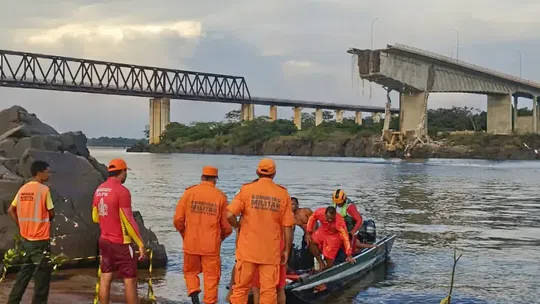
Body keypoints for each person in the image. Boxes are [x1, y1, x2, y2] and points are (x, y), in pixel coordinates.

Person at [227, 158, 294, 304]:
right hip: (271, 253)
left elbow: (229, 214)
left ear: (257, 172)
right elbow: (287, 226)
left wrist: (237, 225)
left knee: (240, 289)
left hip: (247, 251)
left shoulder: (246, 190)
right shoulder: (283, 194)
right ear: (274, 174)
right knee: (268, 292)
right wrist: (287, 251)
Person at [173, 166, 232, 304]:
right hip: (211, 246)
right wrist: (220, 238)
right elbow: (226, 227)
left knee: (190, 272)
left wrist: (184, 234)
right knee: (211, 277)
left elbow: (178, 220)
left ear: (202, 177)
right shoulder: (220, 196)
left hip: (191, 243)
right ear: (215, 180)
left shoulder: (189, 193)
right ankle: (209, 302)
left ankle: (194, 292)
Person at [92, 158, 146, 304]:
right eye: (125, 172)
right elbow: (128, 220)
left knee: (105, 277)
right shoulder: (122, 191)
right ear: (122, 172)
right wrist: (140, 243)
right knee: (130, 281)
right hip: (121, 242)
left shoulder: (99, 189)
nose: (125, 175)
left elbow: (95, 217)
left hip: (104, 241)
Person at [7, 160, 55, 304]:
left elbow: (10, 210)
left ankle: (13, 301)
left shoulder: (23, 189)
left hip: (26, 238)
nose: (49, 174)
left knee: (24, 274)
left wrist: (21, 225)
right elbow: (51, 213)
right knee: (42, 277)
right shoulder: (44, 190)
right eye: (47, 171)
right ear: (40, 172)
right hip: (40, 239)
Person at [305, 206, 354, 271]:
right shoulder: (320, 212)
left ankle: (327, 268)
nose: (329, 220)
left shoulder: (340, 222)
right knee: (311, 241)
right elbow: (312, 218)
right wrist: (308, 232)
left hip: (334, 236)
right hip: (323, 231)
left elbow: (345, 238)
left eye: (331, 219)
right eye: (328, 218)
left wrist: (349, 254)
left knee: (329, 259)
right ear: (325, 214)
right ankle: (321, 263)